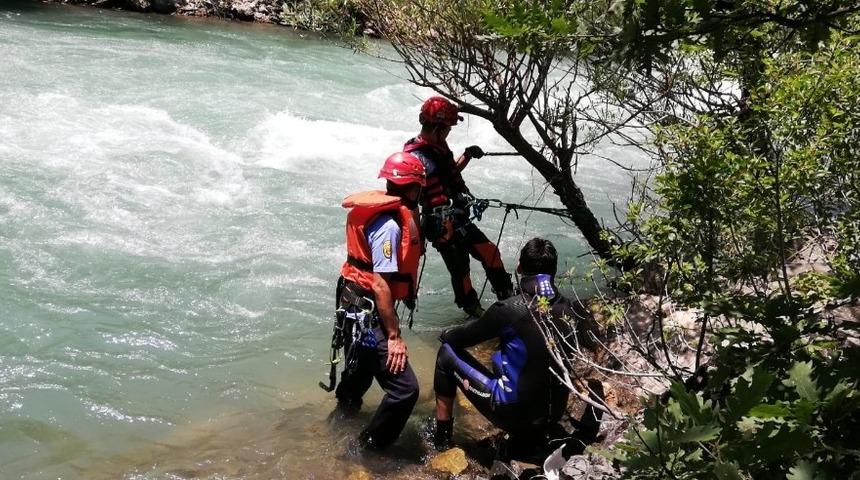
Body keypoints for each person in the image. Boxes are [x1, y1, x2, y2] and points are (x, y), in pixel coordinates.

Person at [431, 237, 585, 451]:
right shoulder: (572, 309)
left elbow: (460, 338)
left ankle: (442, 441)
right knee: (500, 358)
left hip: (514, 416)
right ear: (554, 270)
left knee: (445, 354)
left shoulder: (510, 309)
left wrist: (446, 333)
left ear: (520, 267)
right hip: (553, 414)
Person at [332, 151, 426, 449]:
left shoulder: (380, 216)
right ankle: (366, 449)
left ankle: (334, 430)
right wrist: (394, 336)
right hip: (367, 315)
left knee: (357, 379)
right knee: (405, 390)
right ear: (413, 187)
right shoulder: (388, 226)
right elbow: (381, 284)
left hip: (351, 308)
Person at [404, 96, 513, 317]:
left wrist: (467, 156)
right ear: (438, 127)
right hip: (438, 223)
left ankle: (509, 299)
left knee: (491, 252)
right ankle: (474, 312)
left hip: (457, 216)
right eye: (448, 128)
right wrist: (418, 241)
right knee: (461, 271)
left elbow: (446, 176)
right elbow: (411, 203)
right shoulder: (415, 156)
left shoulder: (438, 146)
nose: (449, 132)